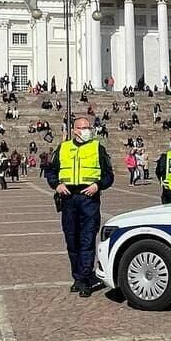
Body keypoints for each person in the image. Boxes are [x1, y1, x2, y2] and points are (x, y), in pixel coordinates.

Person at [46, 115, 114, 298]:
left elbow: (109, 175)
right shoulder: (63, 148)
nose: (87, 130)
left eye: (89, 127)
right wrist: (56, 185)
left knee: (87, 240)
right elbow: (51, 171)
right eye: (83, 128)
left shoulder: (97, 148)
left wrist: (97, 185)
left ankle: (84, 279)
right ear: (75, 130)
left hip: (88, 198)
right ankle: (77, 276)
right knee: (71, 240)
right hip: (68, 199)